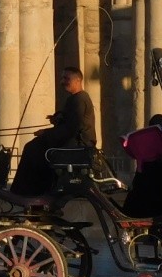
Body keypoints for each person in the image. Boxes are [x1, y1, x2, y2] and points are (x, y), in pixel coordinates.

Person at [9, 67, 97, 196]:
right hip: (73, 141)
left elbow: (72, 128)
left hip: (78, 144)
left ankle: (31, 192)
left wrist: (45, 133)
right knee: (34, 146)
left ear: (78, 80)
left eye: (66, 78)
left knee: (33, 149)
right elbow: (69, 122)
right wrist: (57, 119)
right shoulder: (75, 98)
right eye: (62, 78)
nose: (62, 81)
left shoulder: (79, 99)